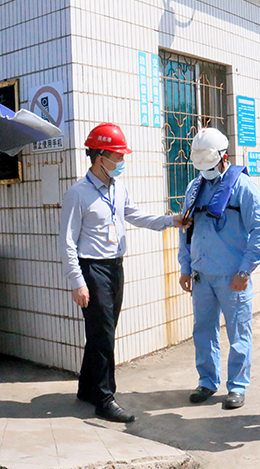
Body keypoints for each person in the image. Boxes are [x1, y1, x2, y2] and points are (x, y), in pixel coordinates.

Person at [60, 122, 190, 423]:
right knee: (103, 334)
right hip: (92, 269)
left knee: (103, 331)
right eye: (117, 156)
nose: (121, 161)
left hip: (115, 267)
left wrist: (170, 220)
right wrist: (77, 281)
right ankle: (105, 398)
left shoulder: (118, 188)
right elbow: (66, 242)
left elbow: (134, 215)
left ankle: (87, 388)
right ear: (100, 157)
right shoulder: (77, 194)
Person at [178, 127, 260, 410]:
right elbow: (186, 231)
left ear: (224, 158)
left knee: (238, 334)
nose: (206, 172)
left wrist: (245, 271)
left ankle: (237, 386)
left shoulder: (243, 187)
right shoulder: (194, 188)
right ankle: (207, 381)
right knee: (203, 331)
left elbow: (259, 231)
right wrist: (185, 267)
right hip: (202, 275)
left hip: (232, 277)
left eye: (210, 166)